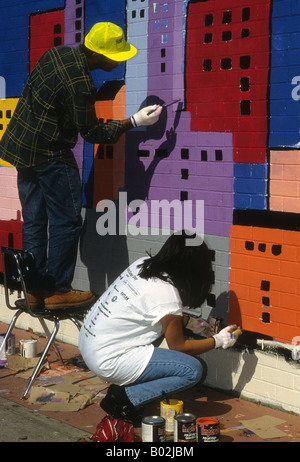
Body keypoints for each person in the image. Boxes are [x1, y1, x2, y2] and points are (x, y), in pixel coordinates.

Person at [0, 22, 162, 309]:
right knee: (66, 221)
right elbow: (93, 133)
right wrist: (134, 121)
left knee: (35, 221)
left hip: (23, 149)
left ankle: (35, 290)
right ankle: (58, 290)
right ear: (99, 55)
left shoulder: (56, 54)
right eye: (117, 55)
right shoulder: (81, 83)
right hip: (50, 154)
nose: (120, 60)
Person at [78, 231, 238, 425]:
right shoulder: (167, 293)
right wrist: (218, 340)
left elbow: (151, 310)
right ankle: (123, 399)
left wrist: (189, 323)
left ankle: (125, 386)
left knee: (160, 335)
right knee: (193, 370)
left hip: (89, 343)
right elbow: (178, 346)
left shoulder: (143, 264)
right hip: (109, 359)